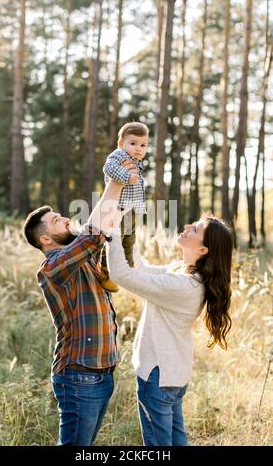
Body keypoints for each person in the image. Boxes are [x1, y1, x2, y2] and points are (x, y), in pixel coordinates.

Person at [103, 184, 233, 446]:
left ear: (204, 249)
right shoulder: (183, 272)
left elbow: (122, 275)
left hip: (158, 376)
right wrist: (127, 232)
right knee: (175, 441)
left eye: (195, 229)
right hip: (171, 374)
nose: (187, 227)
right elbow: (141, 268)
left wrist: (111, 233)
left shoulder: (185, 286)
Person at [22, 176, 132, 446]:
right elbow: (89, 236)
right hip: (79, 376)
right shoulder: (51, 268)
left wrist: (123, 193)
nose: (66, 219)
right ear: (45, 238)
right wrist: (115, 180)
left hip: (102, 374)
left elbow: (96, 233)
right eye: (57, 220)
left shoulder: (84, 260)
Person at [99, 121, 149, 293]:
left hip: (132, 209)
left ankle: (128, 267)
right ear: (121, 144)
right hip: (118, 208)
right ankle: (105, 270)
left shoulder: (136, 161)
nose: (138, 148)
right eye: (133, 143)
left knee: (129, 239)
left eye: (143, 145)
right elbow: (108, 168)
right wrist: (127, 177)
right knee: (114, 240)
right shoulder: (119, 156)